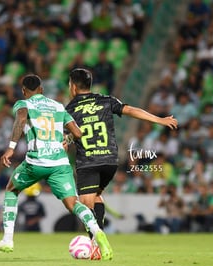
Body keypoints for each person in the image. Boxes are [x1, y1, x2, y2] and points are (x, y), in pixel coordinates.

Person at [0, 74, 113, 260]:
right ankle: (97, 232)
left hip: (36, 161)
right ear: (42, 90)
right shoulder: (58, 106)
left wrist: (10, 148)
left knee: (11, 189)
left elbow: (21, 120)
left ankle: (7, 240)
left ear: (24, 91)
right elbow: (78, 132)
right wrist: (66, 139)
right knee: (73, 204)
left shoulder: (23, 104)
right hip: (60, 164)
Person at [65, 68, 178, 238]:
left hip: (89, 161)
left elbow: (72, 134)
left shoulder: (70, 109)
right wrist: (159, 119)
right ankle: (99, 236)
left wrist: (66, 140)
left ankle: (96, 240)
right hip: (110, 160)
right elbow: (131, 110)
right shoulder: (105, 100)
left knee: (86, 206)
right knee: (96, 196)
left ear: (73, 87)